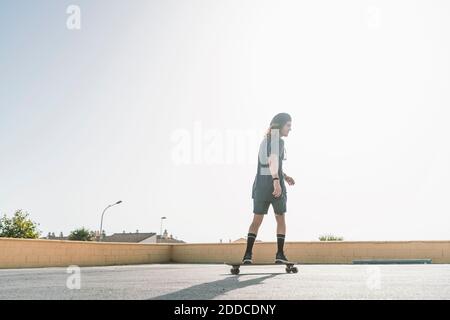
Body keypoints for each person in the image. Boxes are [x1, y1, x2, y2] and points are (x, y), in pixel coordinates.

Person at [242, 113, 295, 264]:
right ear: (280, 125)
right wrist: (277, 181)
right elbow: (273, 161)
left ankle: (247, 255)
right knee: (280, 219)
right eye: (288, 125)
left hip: (260, 186)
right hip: (273, 186)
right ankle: (279, 254)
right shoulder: (278, 140)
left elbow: (269, 164)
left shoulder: (265, 141)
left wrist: (284, 176)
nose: (290, 129)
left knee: (256, 221)